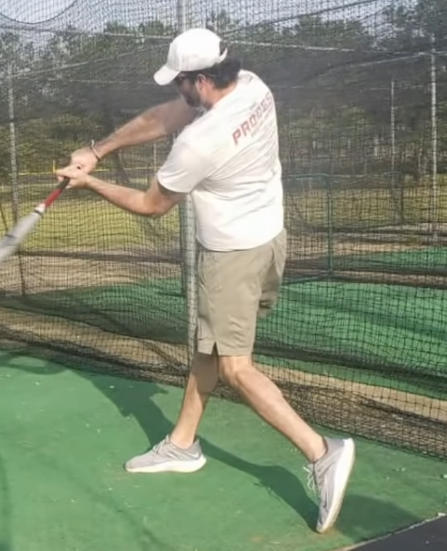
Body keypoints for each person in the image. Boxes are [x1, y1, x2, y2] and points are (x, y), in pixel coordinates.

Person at [55, 28, 355, 534]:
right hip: (269, 240)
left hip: (231, 256)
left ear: (199, 79)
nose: (176, 91)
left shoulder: (199, 143)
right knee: (207, 347)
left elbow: (151, 206)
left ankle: (323, 452)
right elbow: (170, 113)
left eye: (180, 82)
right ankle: (183, 443)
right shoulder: (254, 85)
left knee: (236, 367)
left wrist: (89, 181)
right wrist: (98, 149)